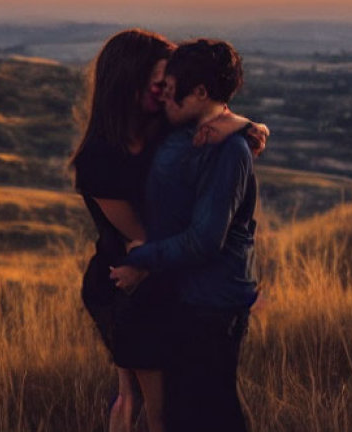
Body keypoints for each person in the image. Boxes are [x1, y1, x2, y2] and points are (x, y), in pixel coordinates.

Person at [71, 30, 266, 432]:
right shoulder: (100, 157)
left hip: (159, 274)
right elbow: (143, 236)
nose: (164, 95)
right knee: (140, 400)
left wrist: (247, 125)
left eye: (169, 87)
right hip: (125, 281)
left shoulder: (162, 128)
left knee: (171, 400)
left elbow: (210, 108)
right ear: (128, 80)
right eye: (158, 84)